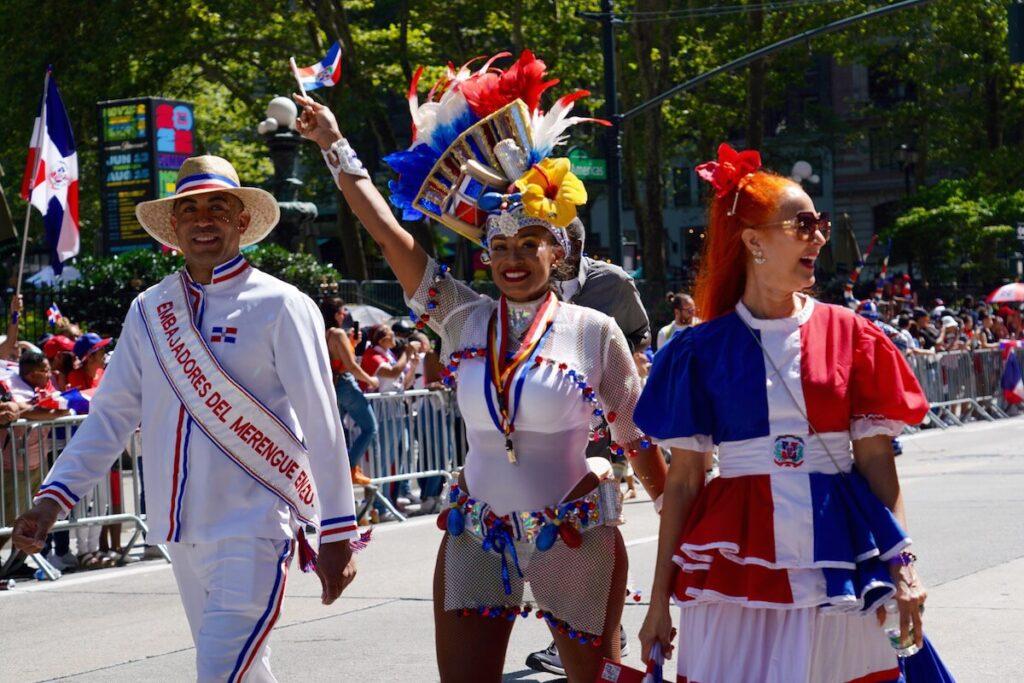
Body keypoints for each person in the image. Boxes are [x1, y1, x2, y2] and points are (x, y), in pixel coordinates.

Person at [295, 50, 667, 682]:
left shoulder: (592, 330)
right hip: (476, 533)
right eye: (499, 247)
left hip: (573, 535)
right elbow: (389, 235)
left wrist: (682, 532)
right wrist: (335, 144)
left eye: (528, 245)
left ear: (559, 251)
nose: (512, 259)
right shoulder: (460, 316)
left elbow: (639, 440)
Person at [12, 155, 359, 682]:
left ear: (241, 220)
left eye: (217, 206)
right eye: (189, 209)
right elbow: (111, 417)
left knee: (219, 670)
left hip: (255, 528)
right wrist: (52, 499)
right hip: (178, 532)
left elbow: (322, 422)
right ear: (172, 226)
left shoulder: (282, 305)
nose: (203, 219)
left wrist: (339, 530)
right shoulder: (151, 308)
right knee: (244, 671)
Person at [637, 143, 929, 683]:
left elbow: (878, 465)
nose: (818, 235)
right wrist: (659, 602)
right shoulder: (698, 350)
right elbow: (681, 486)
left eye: (819, 223)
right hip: (735, 562)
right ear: (753, 241)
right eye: (802, 224)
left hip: (839, 557)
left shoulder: (853, 334)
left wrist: (903, 568)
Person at [321, 297, 378, 487]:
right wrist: (371, 380)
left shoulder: (325, 333)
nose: (345, 314)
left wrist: (351, 344)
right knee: (370, 428)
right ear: (338, 314)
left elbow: (337, 359)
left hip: (334, 385)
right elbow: (351, 366)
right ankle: (350, 468)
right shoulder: (338, 333)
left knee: (338, 433)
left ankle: (343, 471)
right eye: (343, 311)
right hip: (345, 384)